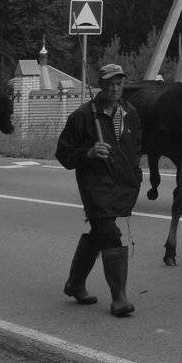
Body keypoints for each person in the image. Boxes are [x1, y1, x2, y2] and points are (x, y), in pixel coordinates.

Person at [55, 63, 143, 317]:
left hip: (123, 184)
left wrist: (136, 176)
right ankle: (119, 298)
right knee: (111, 234)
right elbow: (63, 153)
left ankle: (75, 284)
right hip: (95, 186)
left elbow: (136, 148)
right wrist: (89, 153)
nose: (115, 88)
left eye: (119, 83)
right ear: (100, 86)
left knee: (99, 233)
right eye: (110, 84)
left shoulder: (130, 113)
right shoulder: (83, 116)